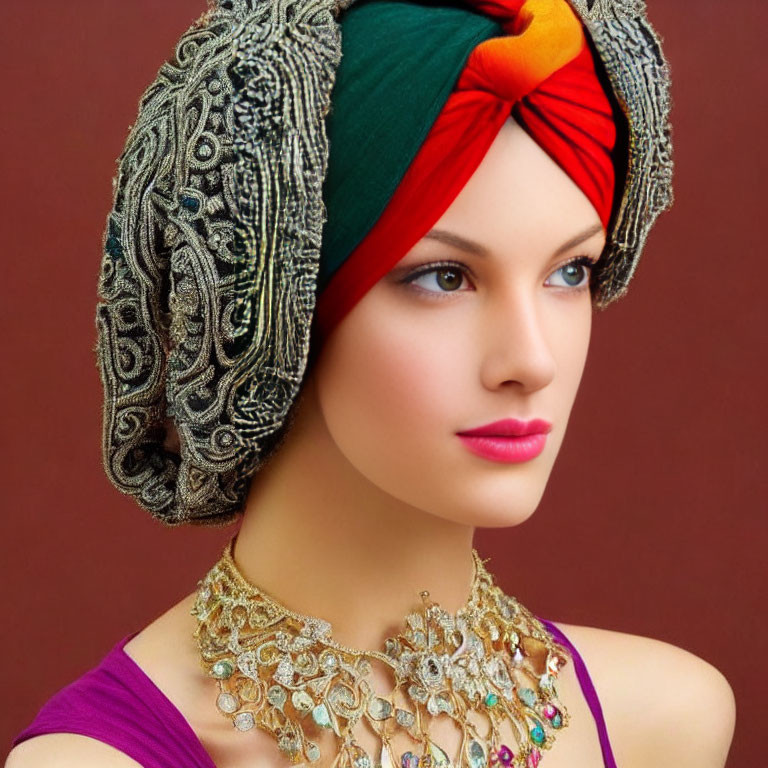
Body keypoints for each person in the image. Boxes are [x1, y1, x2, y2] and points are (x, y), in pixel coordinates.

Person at [6, 0, 736, 766]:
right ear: (265, 305)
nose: (533, 359)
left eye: (569, 270)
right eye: (444, 277)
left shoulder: (664, 722)